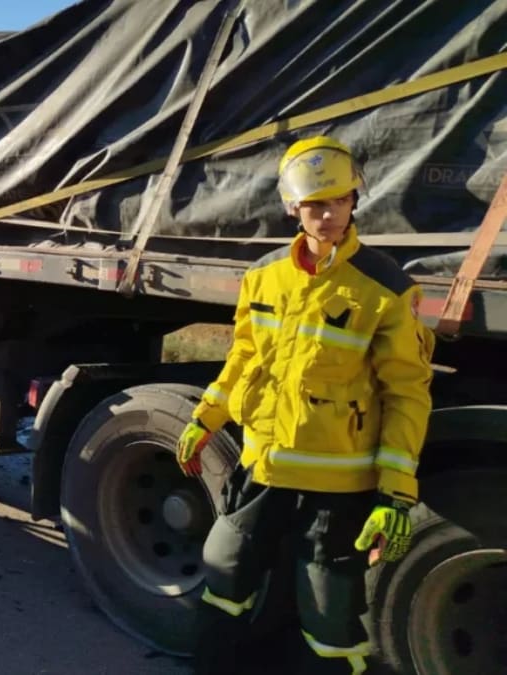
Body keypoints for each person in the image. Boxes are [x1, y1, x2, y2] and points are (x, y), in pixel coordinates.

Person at [177, 136, 435, 675]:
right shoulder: (264, 275)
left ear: (354, 201)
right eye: (316, 204)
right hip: (262, 469)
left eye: (340, 200)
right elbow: (245, 356)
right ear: (293, 207)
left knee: (327, 609)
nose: (329, 214)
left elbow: (407, 393)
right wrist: (207, 417)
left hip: (336, 486)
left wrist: (395, 494)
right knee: (224, 575)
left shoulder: (386, 289)